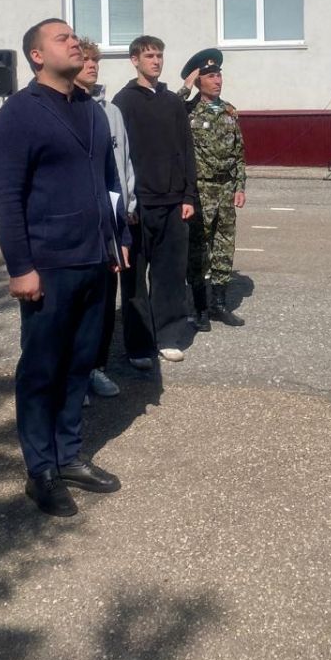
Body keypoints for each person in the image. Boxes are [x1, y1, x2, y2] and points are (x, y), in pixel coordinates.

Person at [0, 18, 130, 516]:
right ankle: (40, 470)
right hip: (49, 265)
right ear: (37, 56)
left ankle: (68, 456)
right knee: (42, 369)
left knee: (80, 364)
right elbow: (5, 198)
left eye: (74, 37)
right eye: (61, 38)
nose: (74, 43)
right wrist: (20, 267)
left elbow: (111, 183)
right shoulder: (18, 114)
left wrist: (119, 238)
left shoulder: (91, 110)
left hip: (96, 259)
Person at [112, 35, 197, 364]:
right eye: (149, 56)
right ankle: (139, 346)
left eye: (159, 55)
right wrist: (127, 204)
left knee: (171, 275)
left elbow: (186, 149)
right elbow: (119, 157)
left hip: (173, 203)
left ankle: (169, 336)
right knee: (134, 280)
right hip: (139, 206)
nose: (156, 61)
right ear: (135, 60)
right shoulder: (124, 101)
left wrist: (188, 195)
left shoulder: (172, 101)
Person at [75, 38, 136, 398]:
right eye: (85, 59)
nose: (92, 65)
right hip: (78, 226)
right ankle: (74, 377)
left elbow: (123, 165)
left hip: (110, 222)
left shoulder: (111, 111)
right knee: (76, 308)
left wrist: (126, 209)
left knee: (102, 304)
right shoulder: (67, 110)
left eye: (95, 60)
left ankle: (96, 367)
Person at [178, 48, 247, 329]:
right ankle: (200, 309)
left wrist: (240, 185)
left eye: (218, 75)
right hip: (201, 189)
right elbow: (168, 108)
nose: (217, 80)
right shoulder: (187, 111)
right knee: (198, 250)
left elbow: (239, 152)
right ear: (198, 81)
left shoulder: (230, 111)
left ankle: (219, 305)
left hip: (226, 189)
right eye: (210, 76)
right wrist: (186, 85)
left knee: (223, 247)